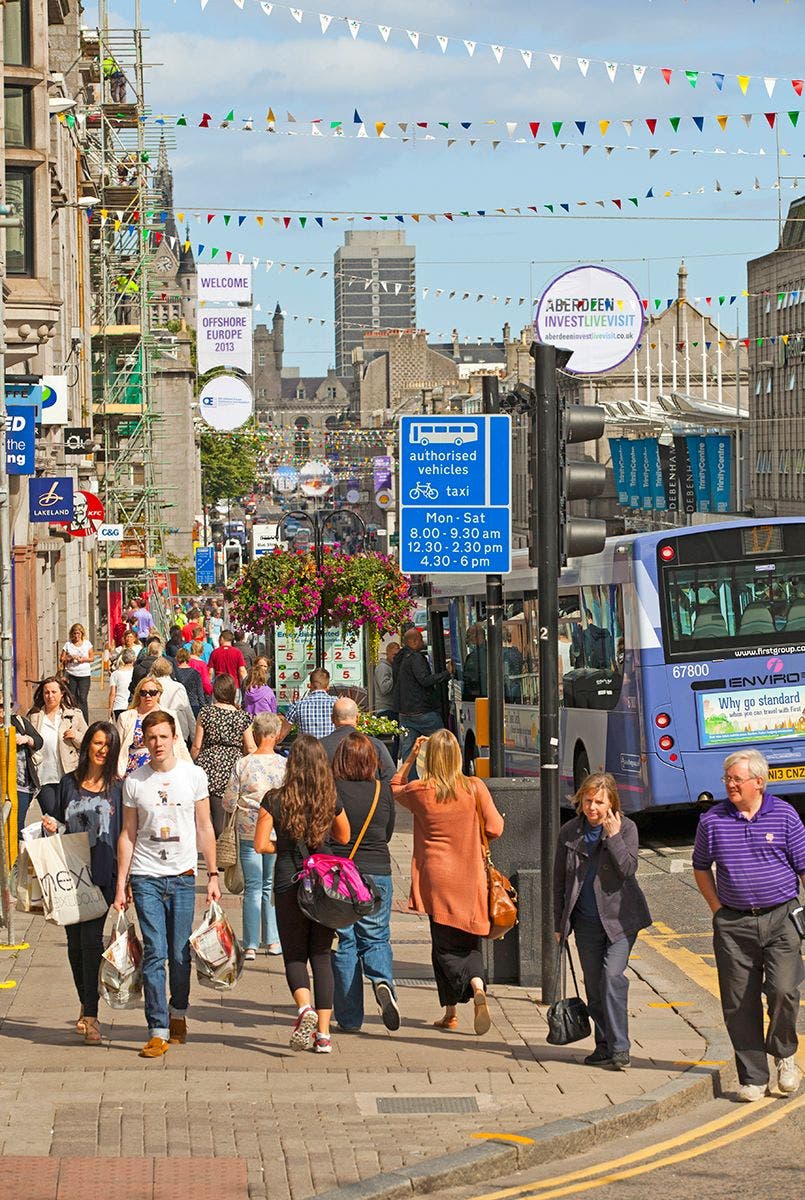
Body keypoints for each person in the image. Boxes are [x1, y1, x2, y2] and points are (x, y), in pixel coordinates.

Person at [692, 749, 805, 1102]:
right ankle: (753, 1076)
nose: (730, 785)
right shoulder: (712, 821)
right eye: (727, 779)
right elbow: (700, 867)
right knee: (739, 1003)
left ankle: (785, 1056)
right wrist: (717, 908)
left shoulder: (785, 815)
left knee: (785, 991)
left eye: (737, 779)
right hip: (734, 923)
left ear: (759, 782)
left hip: (781, 917)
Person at [114, 710, 219, 1058]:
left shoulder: (193, 776)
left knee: (179, 952)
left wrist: (214, 875)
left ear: (175, 737)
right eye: (151, 737)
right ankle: (157, 1027)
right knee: (156, 951)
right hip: (146, 876)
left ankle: (179, 1011)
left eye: (163, 736)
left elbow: (205, 827)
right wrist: (121, 883)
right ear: (142, 739)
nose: (157, 743)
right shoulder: (135, 782)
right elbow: (128, 834)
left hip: (184, 875)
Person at [391, 729, 503, 1035]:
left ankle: (455, 1006)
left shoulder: (420, 791)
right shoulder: (474, 787)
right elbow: (496, 827)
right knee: (469, 942)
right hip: (471, 877)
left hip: (437, 880)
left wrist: (411, 755)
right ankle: (474, 991)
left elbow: (394, 785)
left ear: (431, 759)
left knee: (443, 948)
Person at [553, 772, 651, 1071]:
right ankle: (603, 1046)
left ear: (611, 803)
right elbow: (559, 880)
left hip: (621, 922)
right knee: (594, 988)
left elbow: (628, 869)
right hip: (586, 924)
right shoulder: (570, 832)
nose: (592, 807)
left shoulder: (627, 828)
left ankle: (620, 1048)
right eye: (587, 800)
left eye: (599, 802)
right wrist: (559, 924)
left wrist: (613, 836)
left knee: (612, 978)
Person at [259, 735, 350, 1052]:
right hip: (323, 884)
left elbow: (260, 845)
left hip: (288, 882)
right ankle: (324, 1036)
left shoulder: (274, 799)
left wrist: (281, 847)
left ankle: (304, 1009)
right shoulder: (330, 799)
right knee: (322, 957)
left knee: (295, 955)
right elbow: (345, 835)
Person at [42, 722, 123, 1046]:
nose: (102, 750)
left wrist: (125, 882)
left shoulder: (118, 788)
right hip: (69, 875)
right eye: (98, 743)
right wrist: (51, 825)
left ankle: (91, 1015)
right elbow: (61, 822)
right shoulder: (68, 784)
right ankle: (85, 1005)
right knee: (75, 947)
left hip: (103, 873)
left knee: (91, 943)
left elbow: (124, 836)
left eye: (108, 745)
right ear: (88, 744)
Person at [330, 732, 398, 1033]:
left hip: (341, 874)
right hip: (377, 870)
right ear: (372, 760)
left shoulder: (332, 790)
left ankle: (349, 1017)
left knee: (345, 941)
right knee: (377, 936)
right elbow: (388, 830)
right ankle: (382, 982)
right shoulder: (383, 791)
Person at [222, 713, 286, 960]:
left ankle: (249, 944)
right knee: (270, 886)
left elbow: (229, 801)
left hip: (248, 829)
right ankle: (272, 940)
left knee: (252, 887)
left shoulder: (243, 764)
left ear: (257, 734)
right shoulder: (283, 764)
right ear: (276, 734)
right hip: (276, 832)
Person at [191, 673, 254, 837]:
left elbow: (197, 745)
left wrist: (190, 763)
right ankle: (230, 846)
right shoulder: (243, 716)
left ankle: (219, 845)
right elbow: (250, 746)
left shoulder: (206, 713)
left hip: (209, 764)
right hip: (234, 764)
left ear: (215, 691)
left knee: (214, 812)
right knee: (233, 811)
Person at [392, 629, 452, 773]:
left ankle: (409, 782)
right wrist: (447, 673)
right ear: (413, 641)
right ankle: (444, 776)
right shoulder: (416, 658)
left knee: (408, 751)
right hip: (422, 712)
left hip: (405, 713)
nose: (422, 642)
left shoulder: (398, 658)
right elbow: (425, 680)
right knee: (441, 743)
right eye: (419, 639)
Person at [29, 676, 88, 819]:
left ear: (62, 694)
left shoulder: (74, 715)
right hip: (43, 777)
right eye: (46, 692)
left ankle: (67, 842)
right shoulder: (35, 716)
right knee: (51, 818)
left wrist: (76, 735)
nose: (50, 696)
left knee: (70, 817)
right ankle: (52, 841)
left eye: (54, 692)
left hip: (69, 775)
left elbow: (89, 742)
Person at [116, 677, 191, 776]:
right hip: (134, 771)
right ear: (139, 695)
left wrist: (190, 770)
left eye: (152, 692)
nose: (148, 696)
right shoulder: (126, 717)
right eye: (143, 693)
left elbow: (180, 744)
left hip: (164, 768)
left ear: (159, 694)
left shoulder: (169, 715)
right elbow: (117, 746)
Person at [320, 697, 395, 784]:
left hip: (332, 796)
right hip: (370, 796)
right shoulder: (376, 745)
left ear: (332, 718)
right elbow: (390, 778)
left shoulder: (320, 746)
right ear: (357, 718)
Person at [0, 690, 43, 828]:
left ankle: (16, 849)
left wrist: (26, 739)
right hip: (2, 784)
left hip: (21, 785)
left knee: (17, 825)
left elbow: (39, 741)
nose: (2, 709)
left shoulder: (19, 721)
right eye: (0, 705)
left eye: (6, 705)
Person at [148, 657, 195, 743]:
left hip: (157, 730)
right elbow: (188, 711)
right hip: (179, 730)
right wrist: (193, 736)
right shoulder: (178, 687)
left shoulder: (150, 686)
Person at [281, 668, 335, 740]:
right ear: (328, 686)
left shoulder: (298, 705)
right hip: (330, 750)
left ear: (310, 685)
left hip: (306, 750)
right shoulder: (336, 704)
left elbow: (281, 735)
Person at [60, 622, 95, 722]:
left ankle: (84, 721)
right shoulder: (68, 644)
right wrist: (69, 658)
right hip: (71, 674)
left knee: (83, 698)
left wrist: (83, 659)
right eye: (74, 633)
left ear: (82, 634)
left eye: (78, 633)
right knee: (72, 698)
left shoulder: (87, 644)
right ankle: (73, 720)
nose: (76, 636)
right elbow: (61, 658)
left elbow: (92, 658)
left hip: (84, 674)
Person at [173, 648, 207, 718]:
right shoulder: (195, 673)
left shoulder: (174, 673)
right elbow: (200, 692)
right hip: (193, 704)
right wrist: (203, 706)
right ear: (188, 657)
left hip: (179, 705)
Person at [461, 624, 488, 702]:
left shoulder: (475, 657)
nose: (467, 640)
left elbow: (469, 678)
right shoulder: (491, 650)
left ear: (476, 636)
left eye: (469, 636)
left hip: (477, 697)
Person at [373, 641, 399, 718]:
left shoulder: (392, 666)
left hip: (391, 709)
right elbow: (384, 689)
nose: (396, 657)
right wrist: (395, 675)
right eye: (394, 655)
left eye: (398, 655)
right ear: (387, 654)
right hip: (385, 710)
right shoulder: (383, 667)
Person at [108, 648, 136, 722]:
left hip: (119, 706)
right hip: (133, 705)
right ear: (134, 659)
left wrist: (110, 708)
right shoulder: (136, 672)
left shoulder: (115, 674)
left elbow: (112, 693)